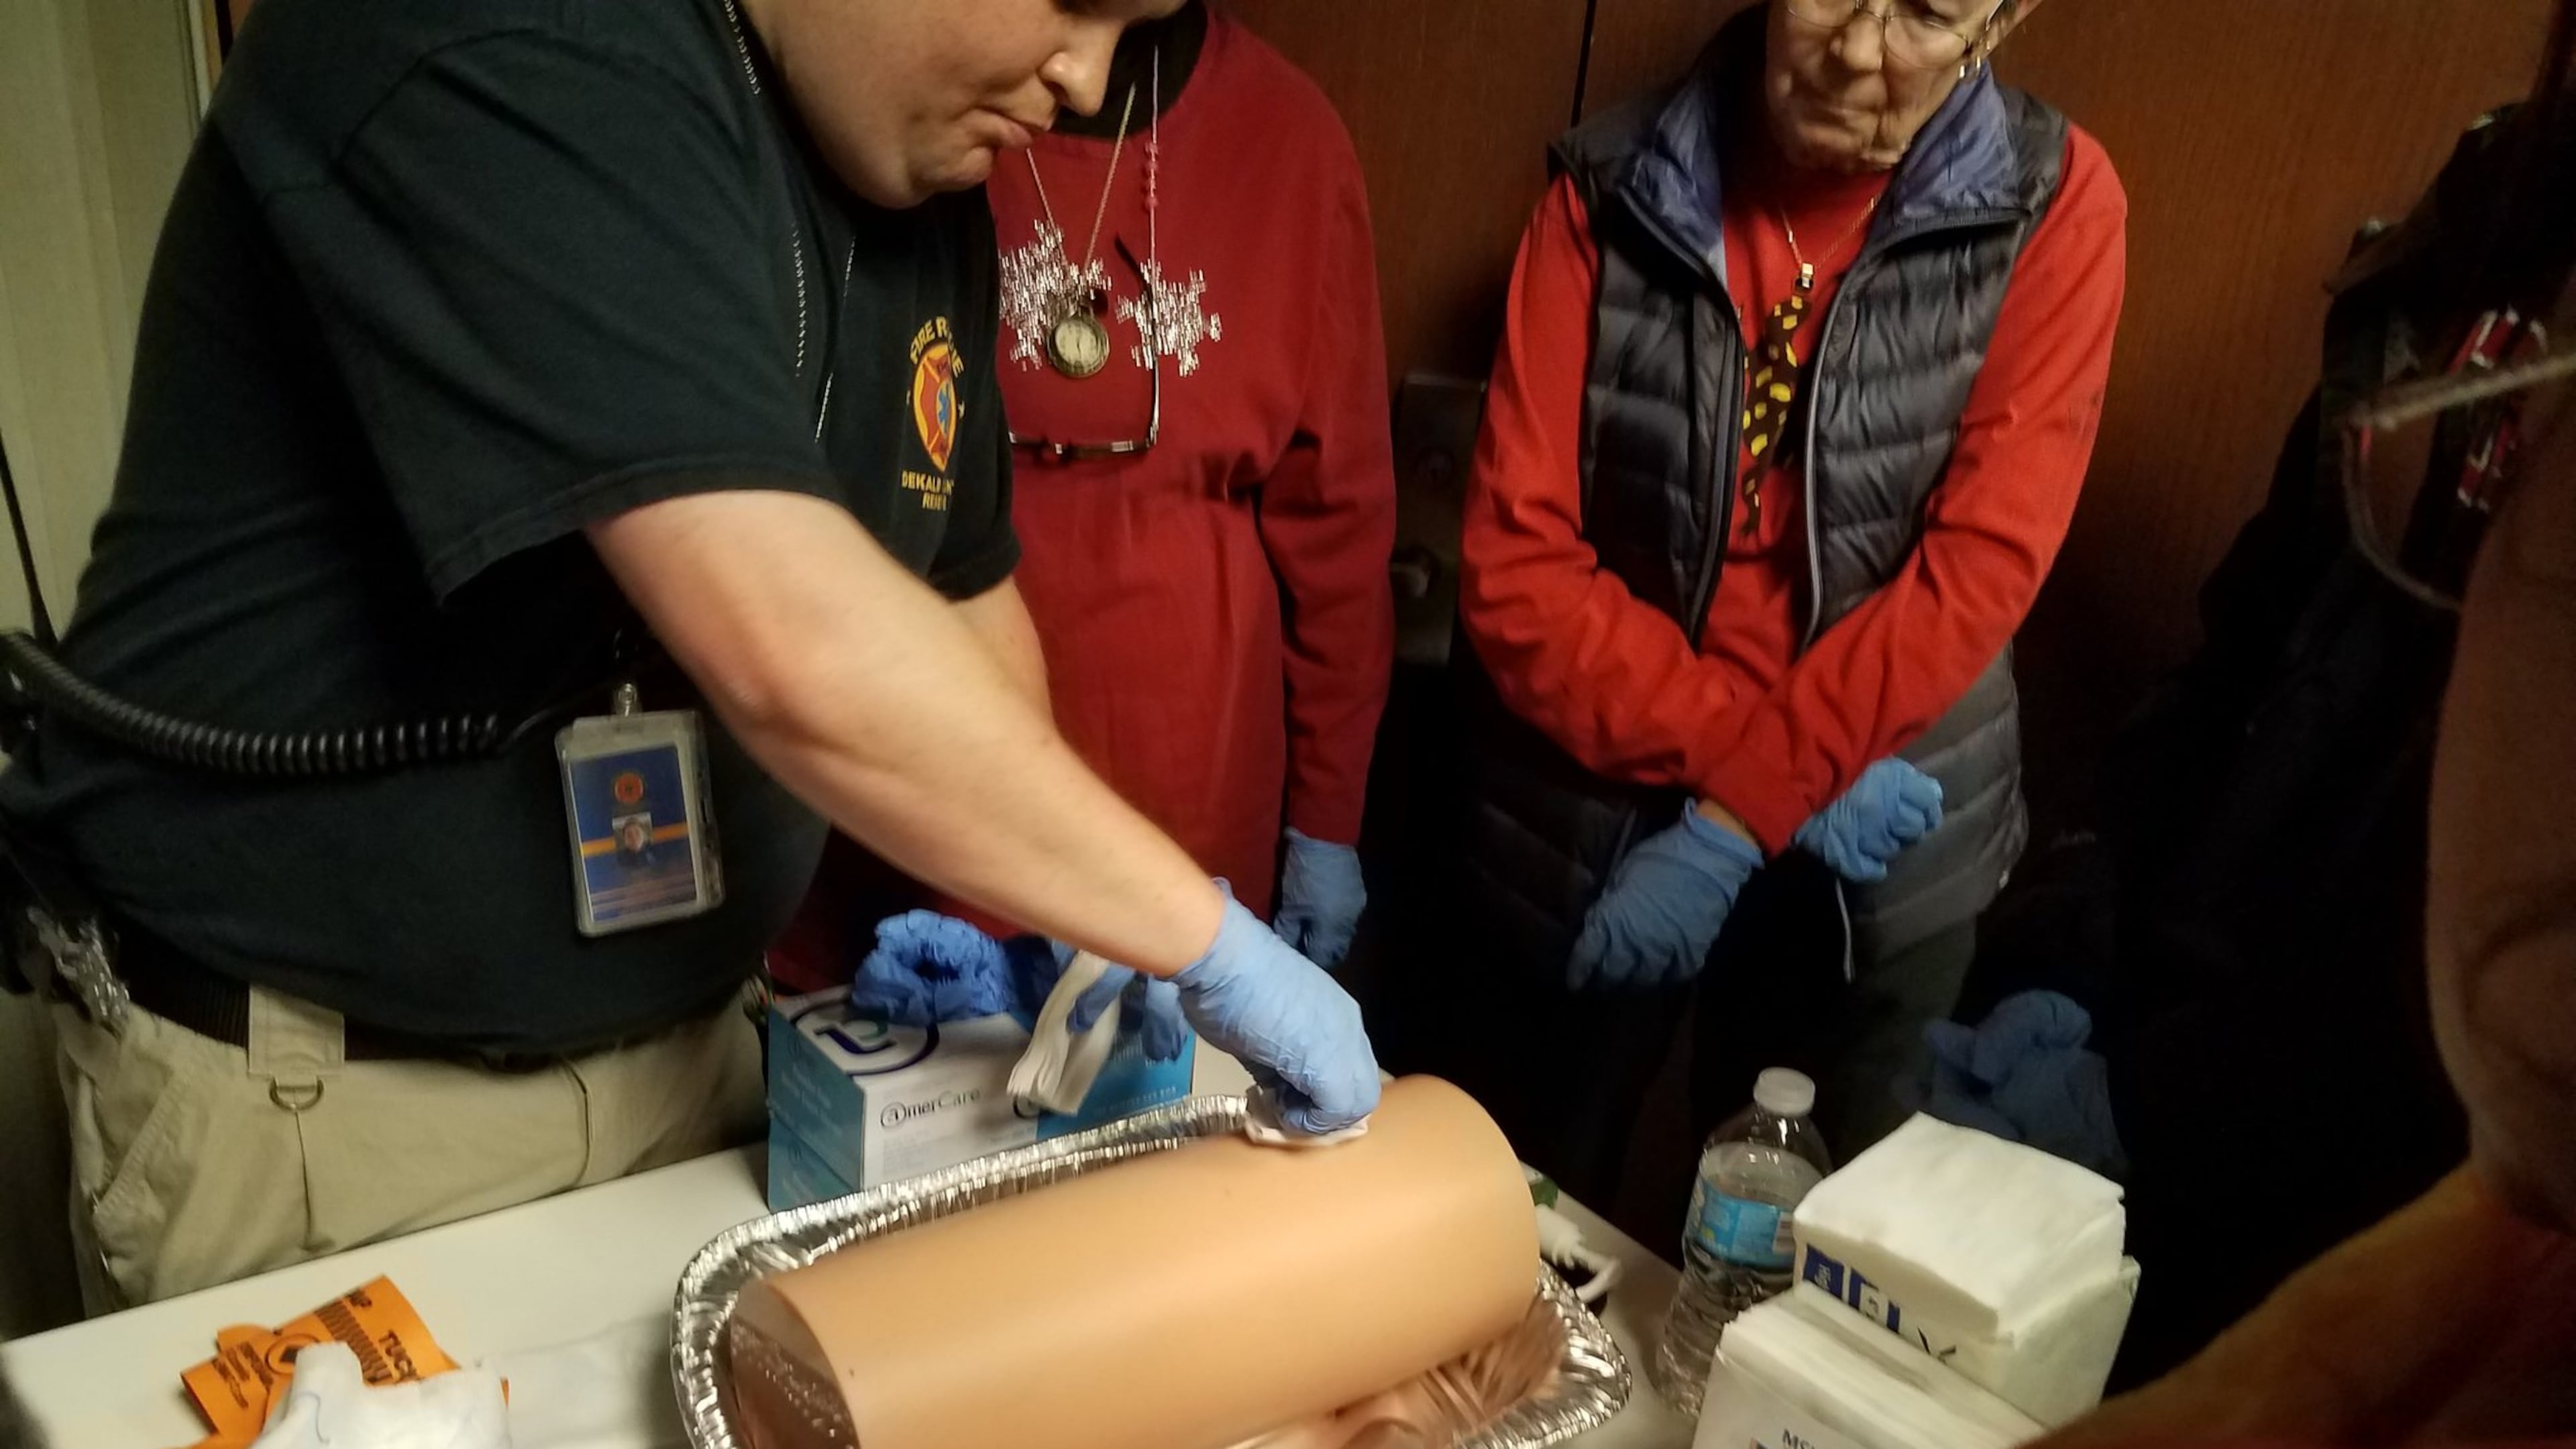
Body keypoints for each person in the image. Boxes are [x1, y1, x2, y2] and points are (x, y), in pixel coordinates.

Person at [0, 0, 1377, 1310]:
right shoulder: (505, 39)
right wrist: (1192, 935)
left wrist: (1066, 923)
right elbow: (788, 635)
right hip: (328, 1109)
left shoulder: (909, 173)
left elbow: (960, 597)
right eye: (1070, 6)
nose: (1086, 80)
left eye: (1129, 32)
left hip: (695, 1058)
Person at [1424, 0, 2127, 1199]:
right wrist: (1757, 774)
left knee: (1814, 1255)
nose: (1857, 47)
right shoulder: (1608, 185)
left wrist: (1746, 809)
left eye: (1924, 13)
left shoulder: (2055, 200)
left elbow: (1976, 574)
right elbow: (1514, 569)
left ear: (2002, 21)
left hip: (1893, 822)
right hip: (1606, 804)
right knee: (1510, 1207)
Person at [2039, 13, 2576, 1436]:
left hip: (2349, 1142)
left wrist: (2161, 1098)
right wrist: (2078, 947)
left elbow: (2450, 969)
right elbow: (2253, 640)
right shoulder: (2486, 224)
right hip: (2185, 1010)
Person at [773, 1, 1394, 996]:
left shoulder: (1294, 140)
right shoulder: (903, 118)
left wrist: (1327, 820)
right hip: (912, 784)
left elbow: (1343, 529)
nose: (1084, 78)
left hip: (1188, 809)